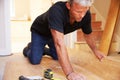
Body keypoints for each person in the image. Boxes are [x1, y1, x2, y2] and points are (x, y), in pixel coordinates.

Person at [23, 0, 105, 80]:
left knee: (57, 57)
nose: (82, 15)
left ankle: (42, 49)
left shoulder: (86, 15)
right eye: (79, 12)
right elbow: (59, 43)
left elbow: (88, 35)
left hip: (53, 35)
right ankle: (29, 48)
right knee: (35, 60)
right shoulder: (57, 10)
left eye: (85, 11)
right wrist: (70, 73)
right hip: (40, 32)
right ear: (68, 6)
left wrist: (95, 51)